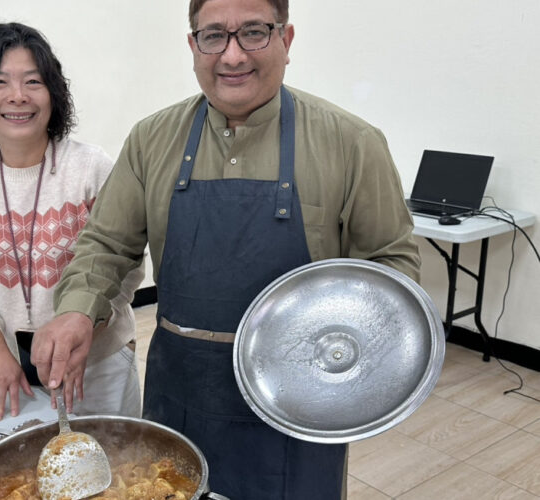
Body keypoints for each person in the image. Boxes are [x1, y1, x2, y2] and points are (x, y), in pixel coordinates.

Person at [32, 0, 420, 497]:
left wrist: (352, 369)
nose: (232, 56)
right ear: (193, 46)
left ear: (288, 39)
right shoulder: (152, 139)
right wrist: (78, 312)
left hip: (300, 403)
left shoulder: (353, 142)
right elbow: (106, 243)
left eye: (254, 32)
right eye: (214, 36)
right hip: (184, 389)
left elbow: (392, 266)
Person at [0, 22, 144, 422]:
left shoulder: (91, 168)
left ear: (53, 93)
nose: (17, 96)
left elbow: (128, 268)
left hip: (97, 363)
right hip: (14, 369)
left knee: (118, 473)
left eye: (33, 81)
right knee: (29, 475)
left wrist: (82, 333)